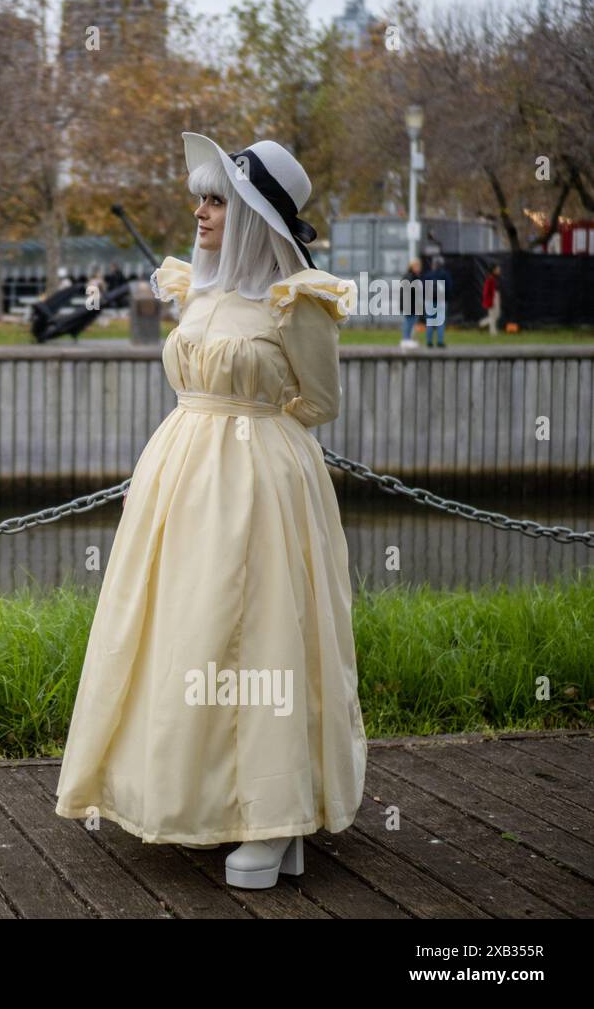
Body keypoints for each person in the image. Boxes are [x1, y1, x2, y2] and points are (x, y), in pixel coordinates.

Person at [54, 132, 366, 891]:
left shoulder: (296, 301)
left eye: (217, 199)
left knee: (261, 638)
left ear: (256, 214)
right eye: (201, 196)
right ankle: (206, 800)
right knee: (183, 628)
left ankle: (274, 813)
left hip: (258, 478)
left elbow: (318, 403)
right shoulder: (196, 287)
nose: (200, 211)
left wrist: (249, 429)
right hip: (181, 472)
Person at [423, 256, 451, 348]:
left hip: (429, 301)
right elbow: (449, 288)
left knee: (430, 321)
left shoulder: (428, 275)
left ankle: (429, 342)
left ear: (433, 265)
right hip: (441, 301)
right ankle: (440, 341)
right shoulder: (445, 274)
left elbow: (423, 288)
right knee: (440, 322)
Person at [398, 257, 423, 349]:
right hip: (409, 304)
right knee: (409, 322)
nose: (418, 268)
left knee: (412, 322)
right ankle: (406, 339)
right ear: (412, 267)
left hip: (412, 304)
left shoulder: (413, 276)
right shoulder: (409, 276)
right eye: (416, 266)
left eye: (419, 266)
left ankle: (407, 339)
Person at [479, 263, 502, 336]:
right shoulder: (489, 279)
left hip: (496, 296)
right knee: (492, 316)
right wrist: (488, 300)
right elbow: (486, 291)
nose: (499, 270)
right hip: (491, 298)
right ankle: (493, 332)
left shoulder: (496, 278)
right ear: (493, 270)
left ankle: (482, 323)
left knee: (497, 315)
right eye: (497, 269)